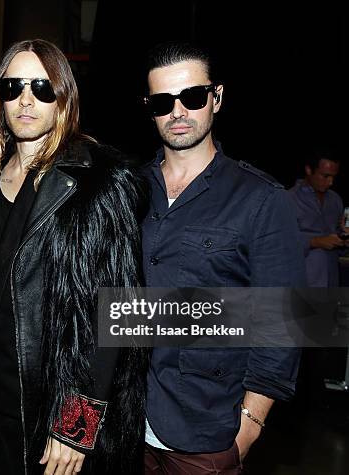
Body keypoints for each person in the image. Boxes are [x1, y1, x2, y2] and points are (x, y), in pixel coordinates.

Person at [0, 39, 146, 475]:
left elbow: (118, 311)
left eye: (42, 87)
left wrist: (76, 426)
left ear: (63, 98)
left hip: (53, 413)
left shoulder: (97, 184)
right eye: (13, 87)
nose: (27, 99)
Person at [139, 41, 306, 474]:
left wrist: (248, 428)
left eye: (192, 97)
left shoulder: (262, 199)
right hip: (125, 423)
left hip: (205, 433)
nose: (178, 111)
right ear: (150, 108)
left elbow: (283, 321)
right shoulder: (130, 190)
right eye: (163, 102)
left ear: (217, 98)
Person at [289, 148, 347, 287]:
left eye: (334, 176)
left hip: (332, 284)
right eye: (325, 176)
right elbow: (279, 242)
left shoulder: (335, 200)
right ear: (309, 170)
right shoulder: (289, 199)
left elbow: (338, 245)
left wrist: (344, 239)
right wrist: (314, 241)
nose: (331, 182)